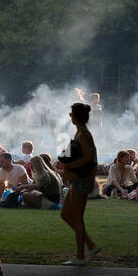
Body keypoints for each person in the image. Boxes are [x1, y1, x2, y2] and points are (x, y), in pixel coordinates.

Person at [56, 102, 100, 266]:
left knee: (77, 217)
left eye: (71, 114)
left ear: (76, 117)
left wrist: (68, 166)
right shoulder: (80, 133)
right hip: (77, 179)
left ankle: (80, 257)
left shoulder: (84, 135)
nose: (70, 117)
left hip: (82, 180)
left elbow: (88, 158)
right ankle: (91, 245)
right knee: (65, 214)